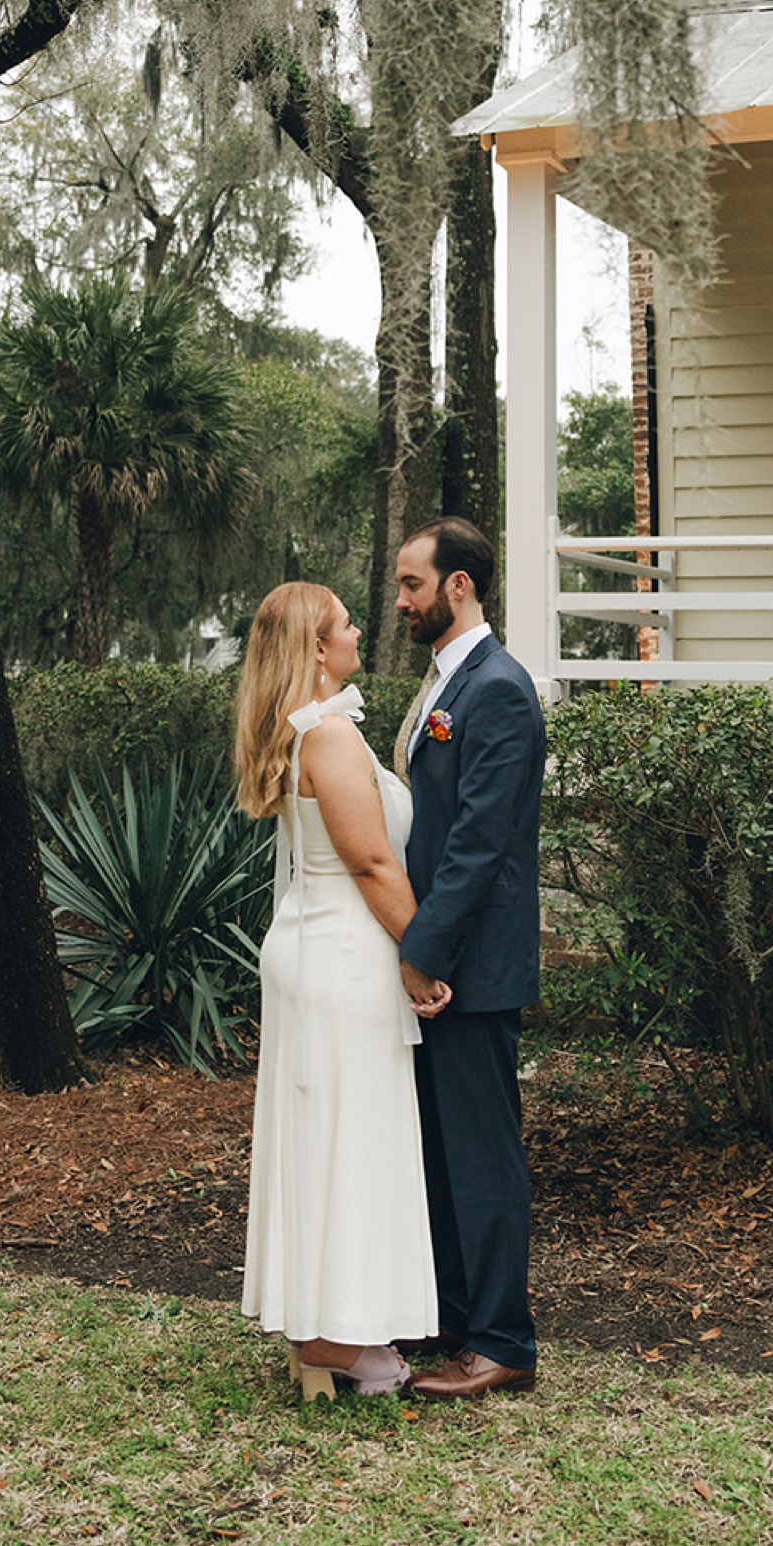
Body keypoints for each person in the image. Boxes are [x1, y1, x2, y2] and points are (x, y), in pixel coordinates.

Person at [235, 581, 447, 1399]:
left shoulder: (313, 730)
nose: (361, 628)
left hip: (315, 947)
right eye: (346, 624)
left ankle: (331, 1322)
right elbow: (371, 864)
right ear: (319, 649)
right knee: (348, 1143)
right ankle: (334, 1338)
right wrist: (422, 953)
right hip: (344, 957)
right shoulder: (325, 735)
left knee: (328, 1137)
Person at [393, 517, 546, 1401]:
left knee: (484, 1155)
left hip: (472, 968)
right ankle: (456, 1317)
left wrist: (422, 952)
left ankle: (502, 1340)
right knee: (446, 1153)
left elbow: (480, 845)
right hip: (445, 964)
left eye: (414, 583)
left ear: (458, 586)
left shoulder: (499, 690)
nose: (403, 599)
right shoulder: (448, 682)